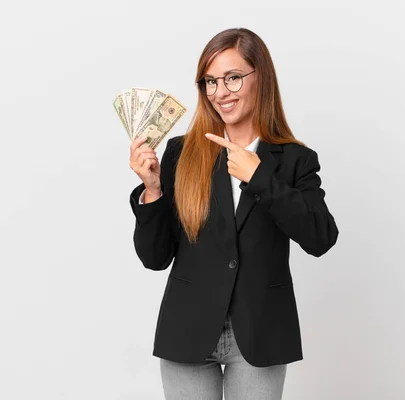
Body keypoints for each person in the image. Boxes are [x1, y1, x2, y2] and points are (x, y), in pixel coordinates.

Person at [128, 27, 338, 400]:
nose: (220, 92)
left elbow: (321, 238)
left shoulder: (294, 159)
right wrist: (153, 191)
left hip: (260, 333)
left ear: (262, 78)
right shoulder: (181, 153)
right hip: (188, 328)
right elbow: (155, 258)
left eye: (233, 78)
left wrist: (259, 177)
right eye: (210, 81)